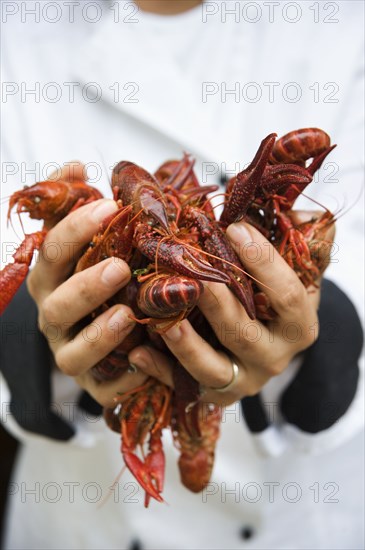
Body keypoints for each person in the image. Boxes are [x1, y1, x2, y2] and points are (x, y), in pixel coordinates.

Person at [0, 1, 363, 548]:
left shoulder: (342, 25)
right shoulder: (17, 30)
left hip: (296, 515)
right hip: (84, 519)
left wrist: (313, 330)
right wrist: (36, 327)